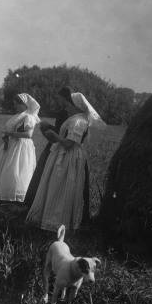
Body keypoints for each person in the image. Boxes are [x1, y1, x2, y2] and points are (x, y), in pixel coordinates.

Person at [26, 92, 106, 231]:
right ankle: (52, 219)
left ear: (76, 106)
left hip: (69, 157)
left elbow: (69, 144)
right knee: (58, 186)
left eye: (69, 104)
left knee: (62, 186)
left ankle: (57, 221)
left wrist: (54, 136)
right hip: (66, 155)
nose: (67, 107)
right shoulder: (78, 118)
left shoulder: (78, 121)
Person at [0, 93, 40, 202]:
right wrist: (7, 138)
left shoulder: (28, 117)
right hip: (12, 144)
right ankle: (0, 193)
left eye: (17, 104)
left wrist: (11, 134)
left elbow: (28, 135)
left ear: (24, 105)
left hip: (21, 146)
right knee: (4, 168)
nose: (15, 106)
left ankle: (14, 194)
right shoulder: (18, 116)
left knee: (16, 170)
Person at [24, 87, 73, 208]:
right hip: (60, 142)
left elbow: (60, 132)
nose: (58, 100)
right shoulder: (67, 111)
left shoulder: (65, 112)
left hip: (58, 144)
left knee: (44, 170)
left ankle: (35, 201)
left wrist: (46, 127)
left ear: (64, 98)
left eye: (59, 98)